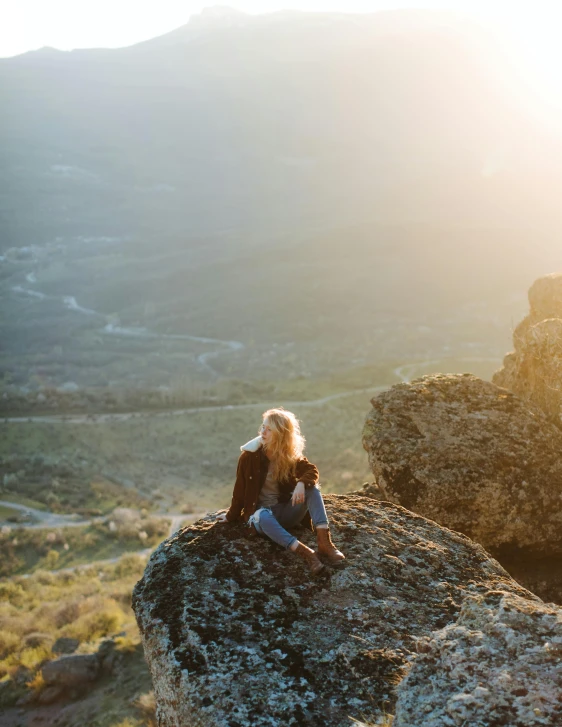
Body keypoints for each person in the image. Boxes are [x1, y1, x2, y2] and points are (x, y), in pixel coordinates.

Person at [216, 407, 345, 575]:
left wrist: (301, 484)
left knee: (312, 489)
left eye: (270, 430)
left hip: (285, 512)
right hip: (262, 518)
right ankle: (307, 554)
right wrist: (230, 515)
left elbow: (311, 471)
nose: (263, 432)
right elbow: (239, 490)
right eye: (263, 427)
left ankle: (324, 543)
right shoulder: (249, 457)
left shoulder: (288, 454)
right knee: (262, 515)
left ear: (281, 434)